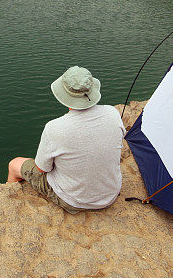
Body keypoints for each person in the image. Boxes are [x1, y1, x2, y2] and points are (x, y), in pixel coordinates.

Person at [7, 66, 126, 214]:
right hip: (109, 195)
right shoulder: (112, 113)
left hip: (73, 200)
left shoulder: (54, 128)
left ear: (64, 95)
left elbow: (42, 169)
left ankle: (7, 203)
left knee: (14, 164)